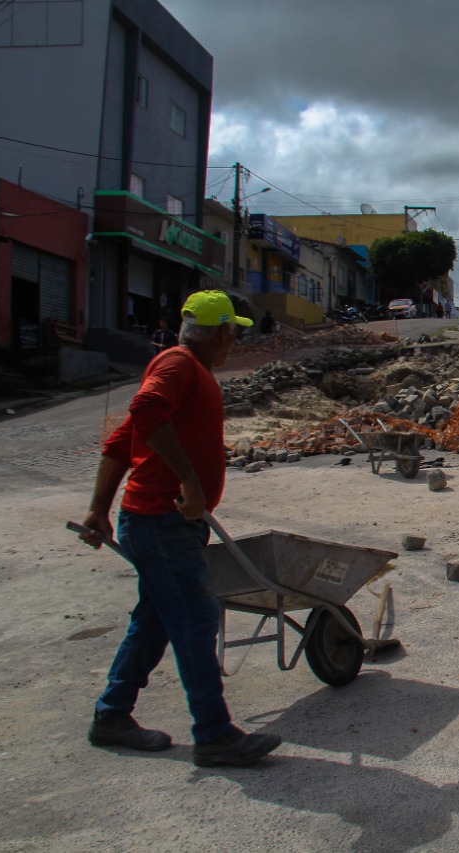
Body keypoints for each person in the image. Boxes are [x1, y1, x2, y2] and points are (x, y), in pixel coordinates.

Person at [77, 290, 282, 767]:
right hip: (161, 520)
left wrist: (98, 509)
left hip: (159, 521)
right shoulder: (180, 366)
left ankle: (111, 714)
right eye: (235, 334)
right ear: (225, 332)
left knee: (154, 620)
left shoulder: (183, 367)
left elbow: (119, 442)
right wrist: (189, 479)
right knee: (195, 618)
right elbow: (145, 414)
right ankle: (214, 734)